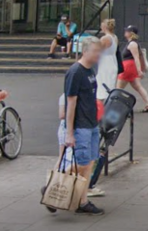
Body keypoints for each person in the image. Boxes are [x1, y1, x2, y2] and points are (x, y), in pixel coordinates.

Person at [56, 36, 104, 215]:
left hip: (91, 124)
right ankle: (53, 185)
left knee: (89, 163)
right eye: (95, 51)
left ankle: (83, 201)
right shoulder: (75, 72)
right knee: (82, 163)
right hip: (81, 126)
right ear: (85, 51)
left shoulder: (90, 70)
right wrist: (69, 133)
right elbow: (71, 102)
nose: (98, 54)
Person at [116, 26, 148, 113]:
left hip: (128, 67)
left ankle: (119, 106)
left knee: (118, 88)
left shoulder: (132, 44)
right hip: (130, 66)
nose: (125, 32)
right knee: (137, 86)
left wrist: (139, 70)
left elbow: (136, 58)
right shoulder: (132, 43)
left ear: (131, 33)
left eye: (127, 31)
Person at [95, 19, 120, 117]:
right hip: (112, 62)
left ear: (104, 27)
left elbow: (97, 50)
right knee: (109, 87)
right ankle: (109, 109)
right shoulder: (115, 37)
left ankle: (100, 112)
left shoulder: (105, 39)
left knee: (101, 88)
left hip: (104, 64)